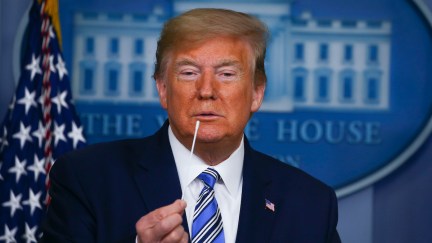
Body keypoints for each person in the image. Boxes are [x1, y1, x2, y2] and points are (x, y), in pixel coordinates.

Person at [41, 8, 341, 243]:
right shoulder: (87, 178)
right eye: (188, 72)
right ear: (162, 88)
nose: (207, 90)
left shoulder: (311, 203)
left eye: (226, 74)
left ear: (256, 93)